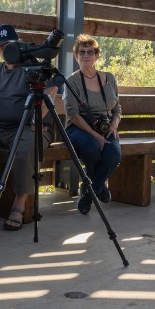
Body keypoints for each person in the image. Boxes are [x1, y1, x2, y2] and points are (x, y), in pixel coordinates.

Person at [0, 24, 56, 231]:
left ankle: (19, 204)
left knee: (25, 149)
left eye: (10, 45)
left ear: (19, 44)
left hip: (31, 129)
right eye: (2, 47)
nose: (6, 50)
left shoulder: (33, 67)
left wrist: (37, 119)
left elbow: (52, 87)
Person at [62, 34, 122, 214]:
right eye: (82, 52)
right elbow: (72, 114)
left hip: (106, 126)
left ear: (97, 56)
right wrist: (96, 136)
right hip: (79, 127)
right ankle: (99, 186)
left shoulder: (109, 78)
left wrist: (114, 125)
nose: (86, 55)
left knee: (114, 155)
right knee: (92, 148)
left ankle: (89, 191)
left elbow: (117, 108)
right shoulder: (72, 81)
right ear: (76, 56)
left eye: (90, 52)